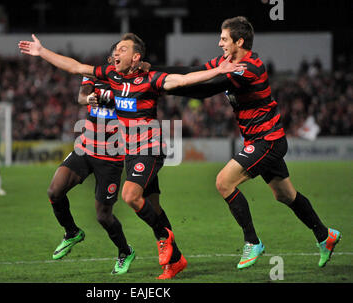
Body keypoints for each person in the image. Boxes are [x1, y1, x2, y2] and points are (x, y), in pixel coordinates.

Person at [19, 32, 244, 279]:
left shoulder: (150, 80)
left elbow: (182, 80)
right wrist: (42, 52)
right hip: (129, 152)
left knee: (130, 195)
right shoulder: (111, 75)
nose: (117, 52)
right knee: (152, 204)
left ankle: (163, 237)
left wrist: (218, 70)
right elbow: (75, 66)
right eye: (116, 49)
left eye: (123, 49)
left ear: (136, 57)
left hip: (150, 149)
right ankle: (175, 260)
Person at [151, 16, 341, 269]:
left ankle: (253, 241)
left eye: (224, 38)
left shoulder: (248, 68)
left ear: (239, 41)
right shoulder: (227, 62)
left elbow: (203, 89)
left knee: (223, 182)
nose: (219, 43)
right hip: (259, 139)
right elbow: (192, 72)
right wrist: (152, 70)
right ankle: (324, 235)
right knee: (285, 195)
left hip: (268, 140)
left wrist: (158, 86)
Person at [47, 44, 135, 275]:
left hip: (112, 156)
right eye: (113, 55)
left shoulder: (130, 85)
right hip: (86, 147)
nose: (115, 58)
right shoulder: (94, 75)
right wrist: (90, 99)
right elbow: (81, 97)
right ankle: (72, 232)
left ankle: (125, 251)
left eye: (120, 55)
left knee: (103, 216)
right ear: (108, 58)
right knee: (54, 191)